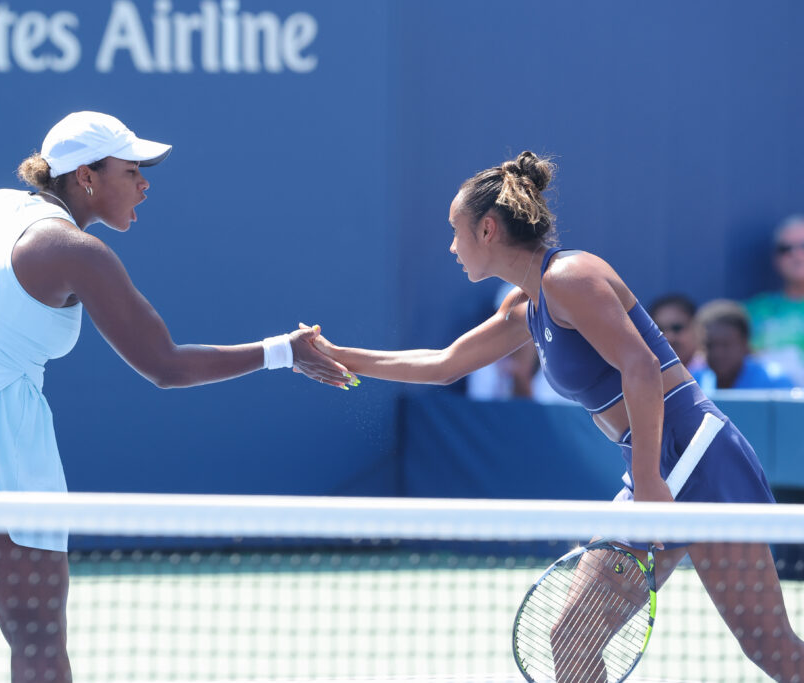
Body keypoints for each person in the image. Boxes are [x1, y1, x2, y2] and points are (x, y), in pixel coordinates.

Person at [0, 111, 351, 683]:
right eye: (131, 171)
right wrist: (283, 351)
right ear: (85, 177)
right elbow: (165, 366)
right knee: (36, 627)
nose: (144, 184)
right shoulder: (77, 251)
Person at [306, 151, 804, 680]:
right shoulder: (528, 304)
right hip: (659, 462)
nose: (452, 246)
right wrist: (335, 355)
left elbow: (640, 366)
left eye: (456, 231)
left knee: (771, 651)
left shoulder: (571, 276)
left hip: (695, 456)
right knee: (573, 638)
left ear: (489, 229)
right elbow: (444, 365)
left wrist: (649, 479)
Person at [745, 215, 804, 387]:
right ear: (776, 259)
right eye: (786, 249)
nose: (796, 255)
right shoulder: (754, 311)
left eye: (803, 246)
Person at [693, 298, 796, 394]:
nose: (717, 353)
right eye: (710, 345)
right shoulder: (694, 384)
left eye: (726, 345)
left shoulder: (775, 383)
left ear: (745, 344)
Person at [648, 293, 706, 376]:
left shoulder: (716, 374)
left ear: (697, 330)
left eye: (677, 328)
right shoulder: (644, 377)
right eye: (659, 330)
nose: (668, 337)